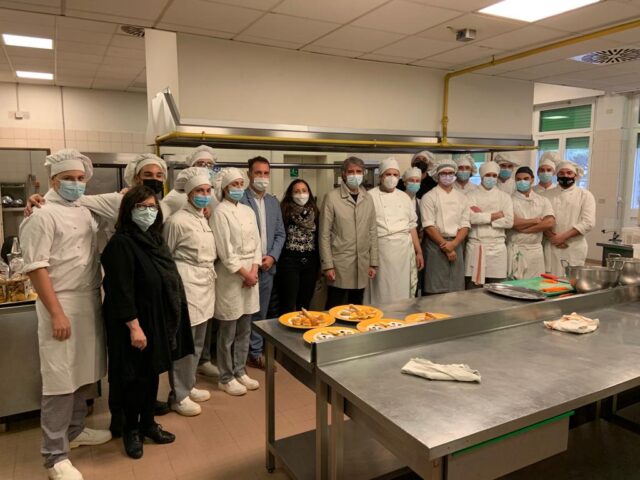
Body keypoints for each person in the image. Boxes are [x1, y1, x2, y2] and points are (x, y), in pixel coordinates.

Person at [20, 149, 110, 480]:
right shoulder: (41, 215)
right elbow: (36, 268)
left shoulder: (83, 210)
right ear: (52, 180)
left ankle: (75, 430)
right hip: (60, 302)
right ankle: (54, 456)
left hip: (88, 301)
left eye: (80, 178)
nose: (75, 183)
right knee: (59, 379)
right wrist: (57, 313)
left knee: (83, 373)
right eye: (68, 179)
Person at [101, 185, 194, 459]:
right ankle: (131, 430)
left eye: (152, 207)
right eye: (141, 207)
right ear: (128, 211)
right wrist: (134, 327)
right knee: (133, 379)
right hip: (131, 323)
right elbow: (120, 290)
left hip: (155, 319)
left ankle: (149, 424)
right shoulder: (121, 243)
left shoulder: (155, 239)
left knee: (152, 373)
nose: (148, 212)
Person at [163, 168, 217, 417]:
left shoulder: (202, 218)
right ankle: (179, 395)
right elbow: (167, 256)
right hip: (186, 284)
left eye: (207, 190)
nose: (204, 195)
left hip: (205, 284)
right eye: (199, 191)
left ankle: (189, 383)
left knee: (197, 341)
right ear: (188, 193)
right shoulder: (176, 221)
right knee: (184, 343)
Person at [212, 168, 262, 396]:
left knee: (245, 328)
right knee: (228, 331)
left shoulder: (248, 211)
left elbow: (257, 243)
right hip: (231, 277)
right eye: (235, 184)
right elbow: (225, 251)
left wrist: (254, 270)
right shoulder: (219, 212)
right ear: (225, 188)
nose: (239, 188)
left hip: (251, 274)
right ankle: (225, 377)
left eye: (241, 184)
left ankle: (240, 370)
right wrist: (245, 274)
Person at [239, 156, 285, 370]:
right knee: (241, 313)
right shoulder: (239, 200)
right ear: (249, 174)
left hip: (267, 266)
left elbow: (280, 234)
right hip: (246, 268)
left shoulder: (273, 202)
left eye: (266, 173)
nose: (262, 177)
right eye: (258, 173)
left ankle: (255, 353)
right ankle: (237, 356)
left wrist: (272, 256)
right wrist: (254, 262)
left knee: (261, 313)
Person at [320, 156, 379, 308]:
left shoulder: (368, 198)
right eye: (351, 172)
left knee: (357, 308)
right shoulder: (332, 198)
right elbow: (324, 235)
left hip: (362, 263)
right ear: (344, 174)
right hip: (340, 264)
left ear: (363, 173)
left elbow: (372, 232)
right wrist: (328, 265)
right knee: (335, 306)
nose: (355, 175)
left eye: (358, 172)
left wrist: (373, 262)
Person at [366, 157, 423, 304]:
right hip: (381, 250)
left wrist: (419, 251)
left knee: (401, 291)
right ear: (381, 176)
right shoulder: (370, 196)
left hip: (403, 252)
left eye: (395, 174)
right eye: (388, 174)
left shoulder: (404, 197)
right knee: (382, 291)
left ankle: (401, 315)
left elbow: (412, 226)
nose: (392, 178)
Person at [419, 160, 470, 294]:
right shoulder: (429, 197)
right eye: (444, 173)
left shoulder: (462, 198)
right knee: (434, 288)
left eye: (450, 173)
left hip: (456, 244)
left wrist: (453, 244)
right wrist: (446, 246)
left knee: (455, 288)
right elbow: (428, 226)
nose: (447, 176)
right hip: (435, 246)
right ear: (437, 175)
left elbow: (465, 224)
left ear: (455, 175)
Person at [465, 162, 514, 287]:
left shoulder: (504, 197)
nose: (491, 178)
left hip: (498, 248)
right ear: (482, 176)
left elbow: (509, 222)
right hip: (476, 245)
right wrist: (496, 215)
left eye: (494, 175)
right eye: (488, 175)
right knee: (473, 290)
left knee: (497, 288)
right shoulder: (470, 195)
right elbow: (471, 218)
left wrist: (482, 216)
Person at [544, 161, 596, 276]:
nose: (565, 176)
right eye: (561, 173)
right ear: (556, 175)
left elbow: (588, 222)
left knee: (570, 281)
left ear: (575, 176)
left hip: (573, 246)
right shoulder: (547, 195)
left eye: (569, 173)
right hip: (550, 245)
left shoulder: (585, 195)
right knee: (548, 280)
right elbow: (541, 219)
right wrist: (552, 238)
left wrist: (562, 237)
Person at [276, 179, 320, 314]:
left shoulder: (315, 212)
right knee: (287, 305)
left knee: (305, 304)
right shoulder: (284, 211)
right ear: (291, 194)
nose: (301, 194)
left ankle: (303, 326)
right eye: (297, 191)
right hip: (289, 263)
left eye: (304, 191)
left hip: (310, 263)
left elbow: (319, 237)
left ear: (309, 193)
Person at [507, 167, 556, 279]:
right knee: (515, 285)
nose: (522, 181)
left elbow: (549, 222)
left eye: (526, 178)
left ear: (532, 179)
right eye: (518, 179)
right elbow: (514, 223)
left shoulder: (542, 200)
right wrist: (535, 221)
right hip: (516, 248)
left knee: (535, 284)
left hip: (536, 250)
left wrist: (524, 229)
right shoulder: (508, 200)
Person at [163, 145, 219, 217]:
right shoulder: (176, 195)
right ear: (192, 167)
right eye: (200, 164)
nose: (205, 167)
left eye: (209, 164)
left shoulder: (216, 192)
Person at [403, 166, 425, 296]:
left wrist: (418, 249)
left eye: (417, 181)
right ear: (404, 182)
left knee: (414, 283)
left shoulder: (420, 202)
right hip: (402, 247)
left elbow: (421, 227)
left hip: (416, 247)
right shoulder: (399, 199)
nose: (415, 183)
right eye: (411, 180)